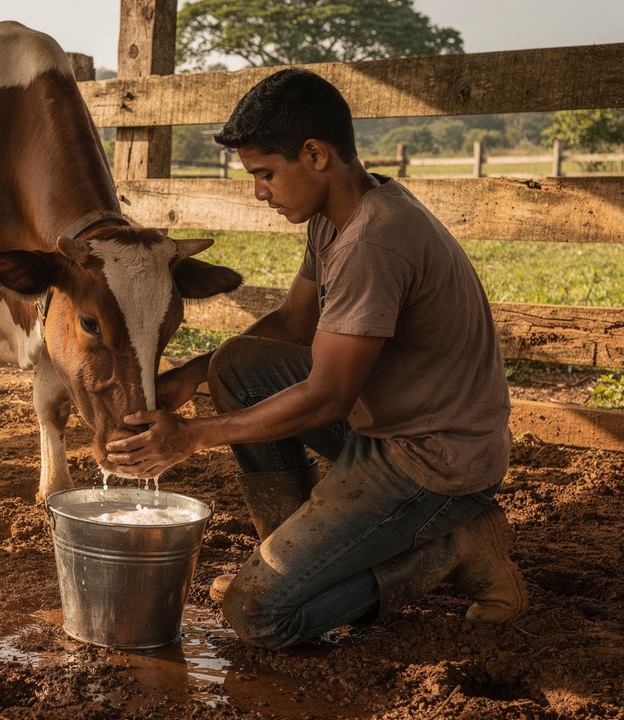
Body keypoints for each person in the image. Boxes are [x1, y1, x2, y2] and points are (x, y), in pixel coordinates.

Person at [104, 68, 528, 650]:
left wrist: (192, 436)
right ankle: (299, 555)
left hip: (435, 461)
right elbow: (293, 325)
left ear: (315, 154)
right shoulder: (342, 213)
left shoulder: (372, 244)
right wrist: (191, 376)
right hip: (390, 421)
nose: (259, 190)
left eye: (265, 174)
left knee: (257, 614)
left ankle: (450, 552)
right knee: (235, 363)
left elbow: (329, 395)